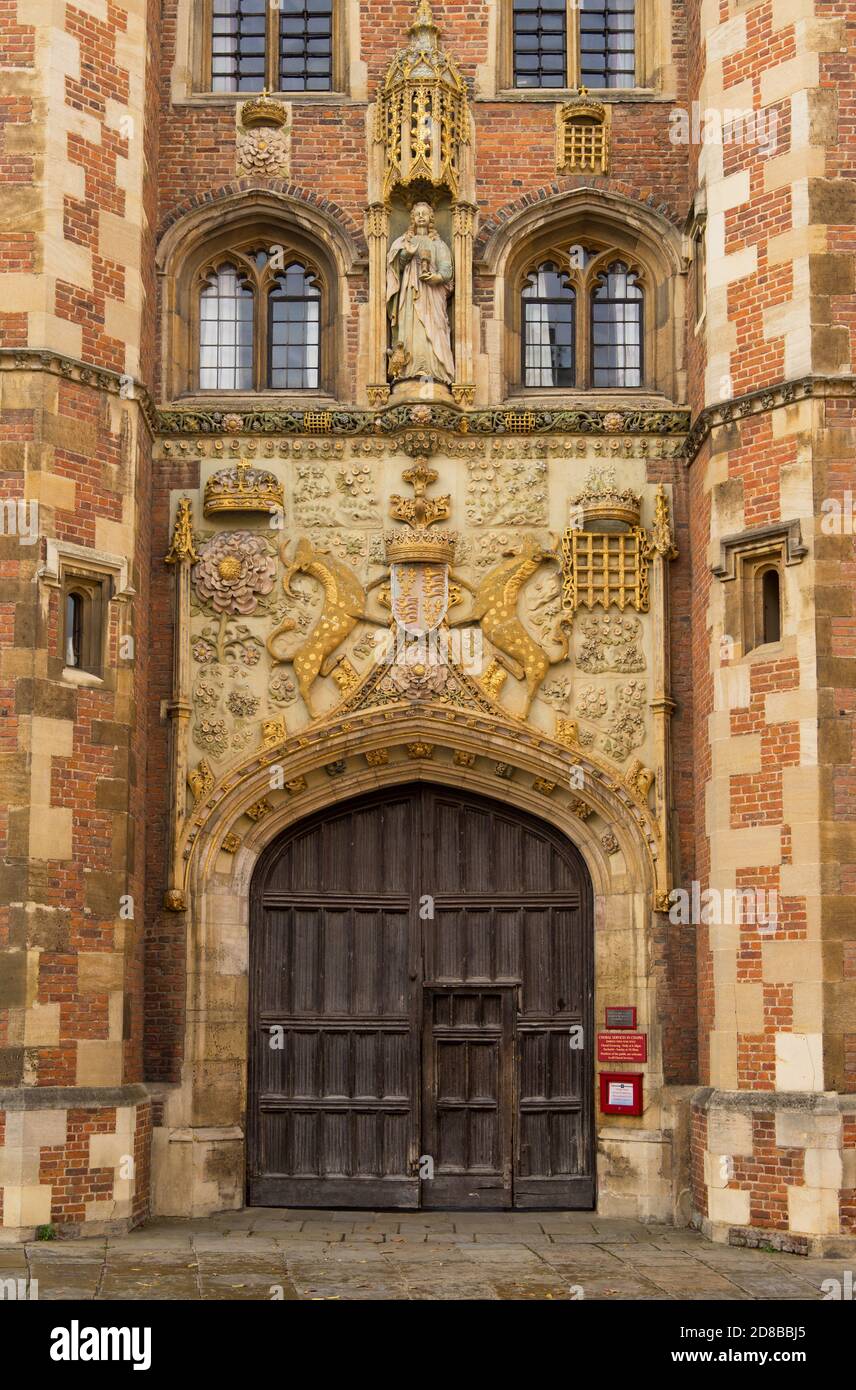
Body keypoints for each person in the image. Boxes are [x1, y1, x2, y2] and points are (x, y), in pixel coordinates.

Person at [386, 201, 454, 385]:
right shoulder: (404, 242)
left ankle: (435, 370)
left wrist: (436, 277)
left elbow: (447, 270)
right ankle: (408, 370)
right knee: (411, 327)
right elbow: (395, 269)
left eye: (425, 213)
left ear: (431, 218)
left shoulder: (438, 245)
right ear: (413, 219)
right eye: (418, 214)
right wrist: (406, 254)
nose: (421, 216)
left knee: (434, 327)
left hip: (432, 293)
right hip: (410, 290)